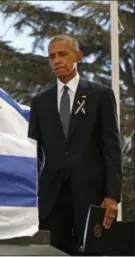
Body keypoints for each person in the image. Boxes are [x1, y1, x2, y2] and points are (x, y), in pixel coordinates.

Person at [28, 34, 122, 255]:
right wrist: (34, 195)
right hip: (51, 200)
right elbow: (34, 152)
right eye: (52, 56)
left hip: (92, 198)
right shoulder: (40, 102)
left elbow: (112, 149)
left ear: (78, 56)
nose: (57, 61)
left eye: (62, 54)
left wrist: (112, 196)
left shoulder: (101, 95)